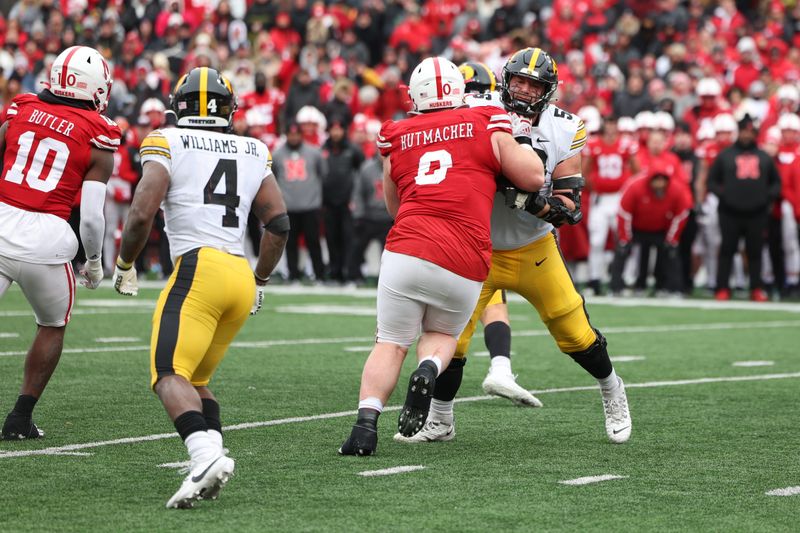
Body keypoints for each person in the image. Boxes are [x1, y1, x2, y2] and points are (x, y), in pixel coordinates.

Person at [397, 47, 633, 446]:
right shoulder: (476, 107)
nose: (523, 90)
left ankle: (612, 390)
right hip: (477, 245)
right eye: (519, 80)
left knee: (574, 332)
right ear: (506, 79)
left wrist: (532, 200)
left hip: (532, 246)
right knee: (451, 336)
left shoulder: (565, 127)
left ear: (548, 90)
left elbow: (570, 208)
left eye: (533, 84)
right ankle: (441, 420)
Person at [338, 56, 545, 456]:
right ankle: (430, 368)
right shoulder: (487, 121)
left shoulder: (395, 133)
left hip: (407, 247)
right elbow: (533, 178)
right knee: (442, 336)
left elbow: (393, 206)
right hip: (465, 255)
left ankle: (364, 426)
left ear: (414, 95)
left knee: (390, 343)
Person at [111, 67, 289, 508]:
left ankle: (205, 455)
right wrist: (260, 279)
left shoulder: (167, 139)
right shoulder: (253, 147)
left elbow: (140, 213)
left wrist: (125, 262)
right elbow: (279, 223)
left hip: (198, 268)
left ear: (178, 106)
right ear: (229, 109)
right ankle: (213, 454)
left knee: (168, 373)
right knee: (197, 379)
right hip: (238, 272)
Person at [0, 46, 119, 439]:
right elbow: (90, 216)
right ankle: (19, 418)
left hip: (1, 224)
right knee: (52, 323)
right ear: (96, 87)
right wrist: (96, 261)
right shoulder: (99, 132)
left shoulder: (22, 107)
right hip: (47, 241)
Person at [457, 60, 542, 407]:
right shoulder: (493, 117)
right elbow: (526, 175)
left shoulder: (436, 122)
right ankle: (498, 367)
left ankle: (498, 368)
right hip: (470, 223)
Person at [708, 113, 781, 301]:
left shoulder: (764, 157)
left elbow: (775, 183)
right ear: (737, 132)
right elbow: (712, 181)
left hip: (756, 213)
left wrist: (765, 198)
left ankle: (756, 287)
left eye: (750, 132)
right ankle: (722, 287)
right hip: (729, 212)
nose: (746, 136)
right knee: (727, 250)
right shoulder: (725, 155)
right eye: (743, 132)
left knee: (755, 252)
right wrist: (725, 196)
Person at [609, 161, 693, 295]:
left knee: (672, 251)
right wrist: (625, 238)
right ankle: (616, 287)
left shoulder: (677, 190)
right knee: (622, 249)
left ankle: (672, 288)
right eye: (656, 179)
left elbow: (682, 214)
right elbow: (624, 213)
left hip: (661, 229)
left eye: (663, 180)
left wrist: (672, 238)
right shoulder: (635, 187)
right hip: (636, 227)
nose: (659, 184)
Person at [584, 115, 639, 295]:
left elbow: (637, 171)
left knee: (623, 240)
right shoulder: (594, 145)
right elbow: (584, 171)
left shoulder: (626, 145)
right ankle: (594, 280)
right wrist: (595, 186)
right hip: (600, 199)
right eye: (608, 122)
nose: (610, 126)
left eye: (613, 122)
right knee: (596, 241)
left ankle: (625, 279)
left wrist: (628, 190)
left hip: (619, 198)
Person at [272, 119, 327, 283]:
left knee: (314, 242)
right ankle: (293, 275)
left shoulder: (314, 153)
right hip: (288, 206)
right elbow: (273, 177)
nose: (294, 137)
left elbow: (322, 174)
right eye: (291, 134)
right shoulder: (277, 154)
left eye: (297, 134)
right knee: (290, 244)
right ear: (286, 135)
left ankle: (320, 275)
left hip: (310, 205)